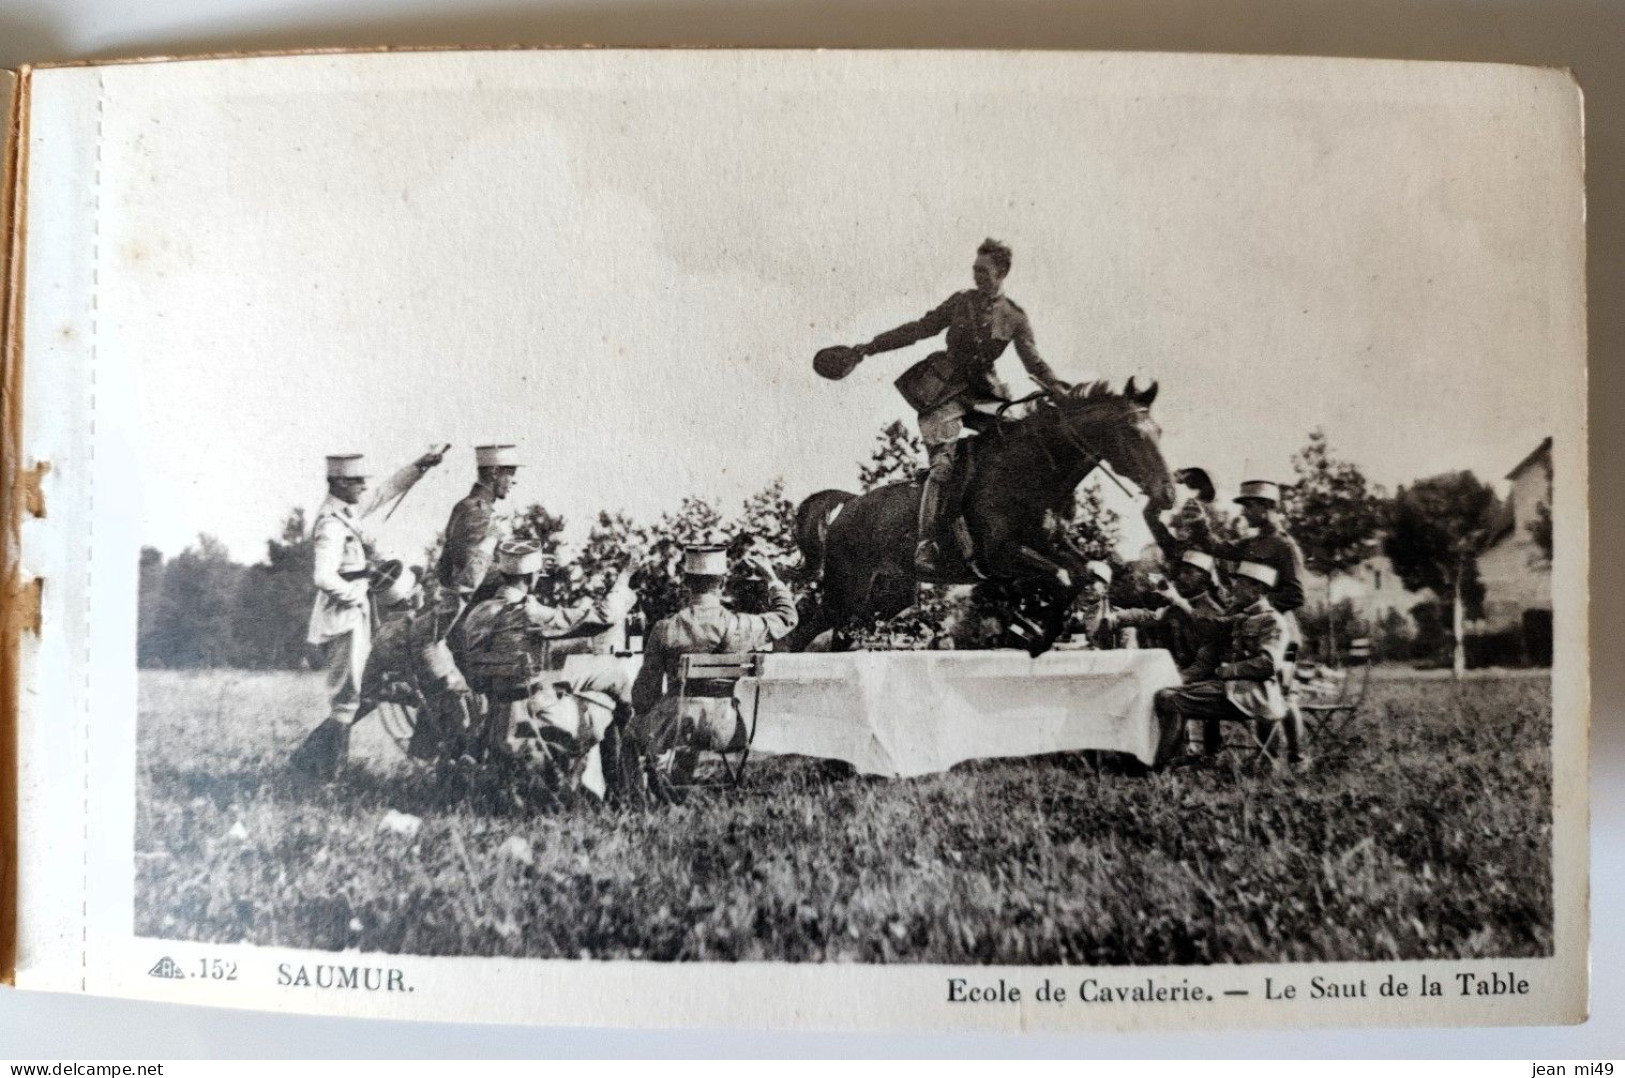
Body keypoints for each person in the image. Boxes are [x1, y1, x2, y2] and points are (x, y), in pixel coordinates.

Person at [843, 239, 1076, 574]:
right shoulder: (960, 302)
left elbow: (1035, 365)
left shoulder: (1015, 317)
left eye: (984, 271)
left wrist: (1059, 390)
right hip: (943, 392)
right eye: (975, 270)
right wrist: (867, 348)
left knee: (1019, 446)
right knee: (942, 467)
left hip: (986, 396)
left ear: (1002, 272)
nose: (977, 277)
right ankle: (926, 544)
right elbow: (918, 330)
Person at [294, 448, 445, 781]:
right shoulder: (331, 524)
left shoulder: (345, 511)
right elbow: (323, 576)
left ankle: (309, 762)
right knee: (347, 698)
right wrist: (355, 594)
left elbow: (384, 492)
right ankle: (328, 775)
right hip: (343, 618)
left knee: (356, 695)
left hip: (354, 615)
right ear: (338, 482)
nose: (363, 487)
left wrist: (420, 466)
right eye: (356, 481)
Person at [458, 539, 638, 797]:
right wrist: (625, 577)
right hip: (536, 702)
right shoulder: (528, 612)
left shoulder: (479, 612)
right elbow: (603, 616)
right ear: (531, 578)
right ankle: (621, 788)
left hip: (497, 699)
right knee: (616, 684)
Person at [629, 546, 798, 787]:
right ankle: (677, 789)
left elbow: (645, 692)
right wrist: (772, 578)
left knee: (629, 732)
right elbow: (786, 617)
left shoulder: (665, 628)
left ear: (686, 583)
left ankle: (634, 803)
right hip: (729, 729)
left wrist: (646, 715)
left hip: (678, 727)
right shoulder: (742, 625)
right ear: (722, 584)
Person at [1152, 560, 1304, 764]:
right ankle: (1177, 758)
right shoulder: (1239, 616)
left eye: (1240, 583)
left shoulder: (1272, 619)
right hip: (1234, 687)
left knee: (1287, 695)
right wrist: (1178, 677)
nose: (1233, 587)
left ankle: (1294, 755)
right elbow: (1210, 638)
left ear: (1257, 589)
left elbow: (1271, 663)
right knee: (1166, 694)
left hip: (1259, 683)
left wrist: (1229, 670)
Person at [1184, 479, 1307, 620]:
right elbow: (1219, 549)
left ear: (1267, 505)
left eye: (1249, 506)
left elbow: (1296, 595)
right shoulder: (1252, 543)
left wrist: (1255, 607)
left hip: (1276, 629)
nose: (1243, 512)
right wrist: (1198, 525)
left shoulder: (1284, 545)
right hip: (1252, 627)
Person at [437, 444, 520, 601]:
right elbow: (471, 573)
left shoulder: (469, 505)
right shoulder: (478, 511)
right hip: (471, 607)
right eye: (511, 474)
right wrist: (518, 570)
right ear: (495, 472)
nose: (513, 482)